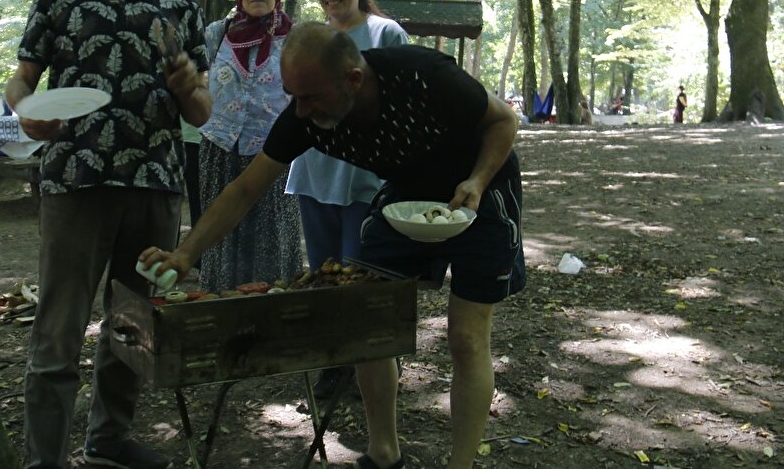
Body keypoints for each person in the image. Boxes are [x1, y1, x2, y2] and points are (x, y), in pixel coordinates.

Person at [139, 24, 525, 469]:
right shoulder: (305, 114)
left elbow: (503, 120)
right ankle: (383, 453)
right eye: (292, 96)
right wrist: (186, 253)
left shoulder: (423, 75)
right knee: (367, 319)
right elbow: (245, 189)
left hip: (482, 188)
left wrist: (476, 181)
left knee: (466, 337)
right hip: (407, 196)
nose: (299, 111)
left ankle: (460, 465)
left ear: (353, 80)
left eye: (310, 98)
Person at [5, 0, 211, 469]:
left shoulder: (180, 3)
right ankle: (44, 458)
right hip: (76, 179)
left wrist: (186, 87)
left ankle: (109, 439)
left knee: (132, 323)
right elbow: (23, 76)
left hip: (154, 183)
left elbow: (200, 110)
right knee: (59, 330)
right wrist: (24, 110)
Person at [285, 0, 408, 395]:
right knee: (323, 273)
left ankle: (373, 365)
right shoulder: (311, 36)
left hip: (364, 179)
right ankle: (334, 363)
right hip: (314, 173)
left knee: (363, 273)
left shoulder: (384, 33)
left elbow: (399, 105)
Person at [196, 0, 303, 289]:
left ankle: (272, 311)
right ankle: (220, 303)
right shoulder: (218, 34)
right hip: (220, 150)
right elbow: (197, 81)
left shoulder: (294, 38)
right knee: (221, 235)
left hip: (273, 155)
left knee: (271, 239)